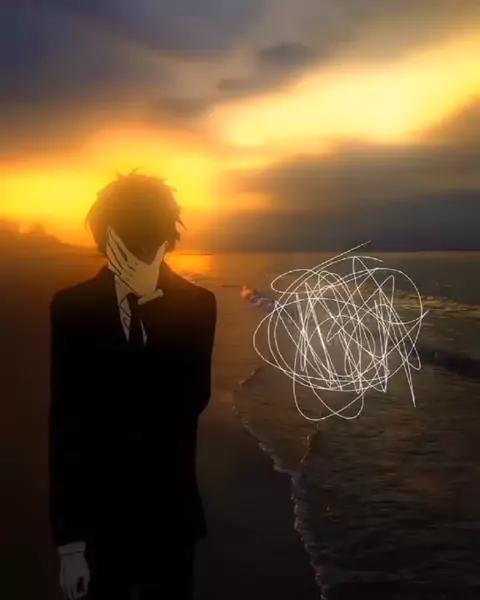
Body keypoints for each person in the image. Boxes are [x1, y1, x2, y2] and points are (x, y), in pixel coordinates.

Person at [48, 171, 217, 599]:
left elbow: (188, 401)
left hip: (170, 516)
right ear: (106, 240)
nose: (139, 256)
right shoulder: (72, 307)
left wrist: (150, 307)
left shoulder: (198, 305)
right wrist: (69, 543)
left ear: (166, 241)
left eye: (149, 244)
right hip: (98, 520)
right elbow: (65, 422)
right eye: (126, 244)